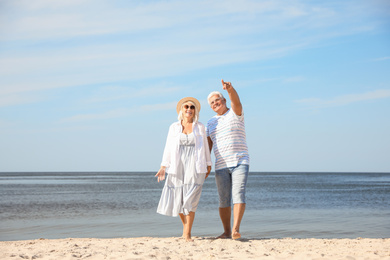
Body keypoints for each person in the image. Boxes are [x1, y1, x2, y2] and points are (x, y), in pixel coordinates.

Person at [155, 97, 212, 241]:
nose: (189, 109)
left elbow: (205, 146)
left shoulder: (200, 127)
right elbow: (168, 147)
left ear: (195, 110)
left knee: (190, 200)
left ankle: (187, 234)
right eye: (186, 107)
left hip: (195, 164)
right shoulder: (174, 127)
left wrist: (208, 164)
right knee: (177, 200)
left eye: (192, 107)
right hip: (177, 164)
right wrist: (163, 166)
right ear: (182, 110)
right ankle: (186, 229)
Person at [206, 79, 250, 240]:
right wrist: (207, 165)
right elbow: (208, 146)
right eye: (212, 103)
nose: (215, 103)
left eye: (217, 100)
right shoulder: (210, 122)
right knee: (223, 198)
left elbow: (236, 101)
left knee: (238, 194)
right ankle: (226, 232)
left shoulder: (235, 112)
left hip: (240, 161)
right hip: (221, 165)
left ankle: (235, 229)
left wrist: (230, 90)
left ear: (224, 100)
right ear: (211, 107)